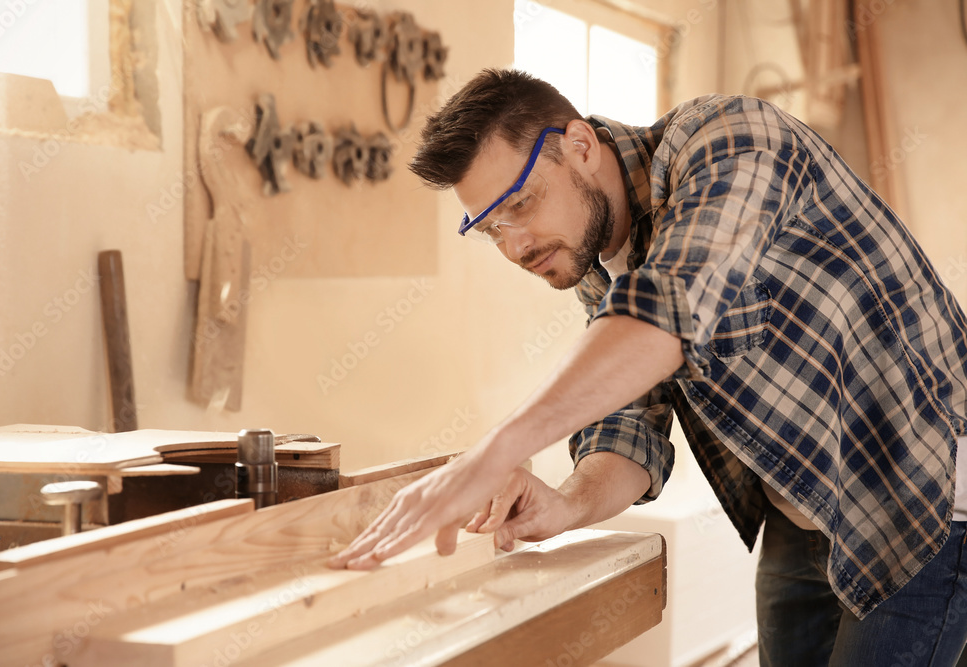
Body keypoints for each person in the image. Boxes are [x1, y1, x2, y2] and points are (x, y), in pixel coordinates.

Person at [328, 68, 967, 664]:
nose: (515, 246)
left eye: (520, 205)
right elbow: (630, 424)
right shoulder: (596, 259)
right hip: (804, 509)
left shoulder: (731, 140)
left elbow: (671, 309)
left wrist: (488, 456)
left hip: (923, 494)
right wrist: (567, 505)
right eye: (491, 229)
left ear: (578, 144)